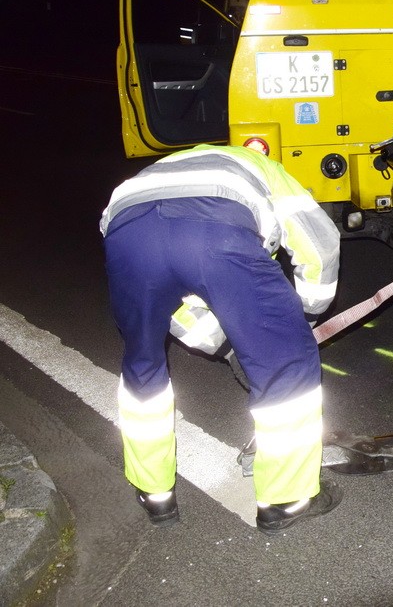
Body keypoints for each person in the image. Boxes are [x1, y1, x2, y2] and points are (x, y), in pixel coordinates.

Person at [99, 144, 342, 534]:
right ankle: (284, 499)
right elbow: (319, 242)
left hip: (128, 234)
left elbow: (173, 306)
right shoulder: (264, 166)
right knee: (286, 365)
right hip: (216, 231)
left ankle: (153, 491)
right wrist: (308, 312)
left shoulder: (161, 168)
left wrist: (221, 341)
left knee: (142, 362)